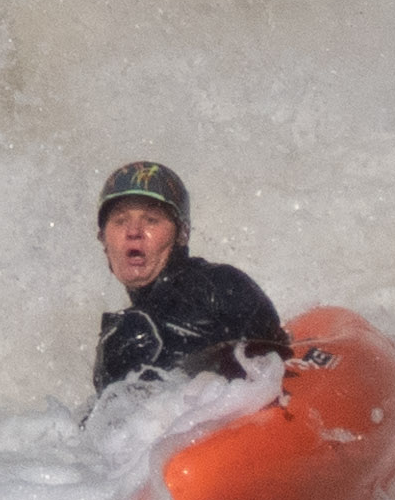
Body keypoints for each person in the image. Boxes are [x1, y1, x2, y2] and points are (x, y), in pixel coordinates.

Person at [87, 159, 290, 392]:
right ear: (103, 240)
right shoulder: (118, 336)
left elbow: (274, 368)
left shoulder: (222, 286)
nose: (133, 232)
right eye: (120, 221)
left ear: (182, 234)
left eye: (151, 220)